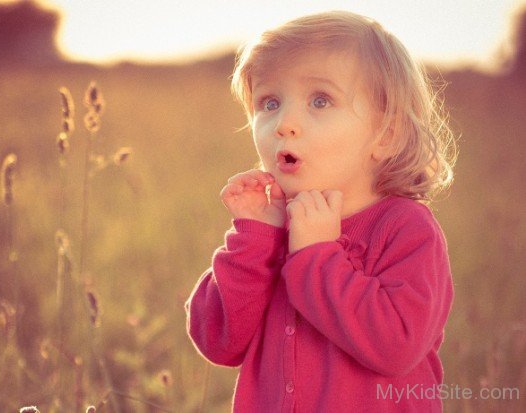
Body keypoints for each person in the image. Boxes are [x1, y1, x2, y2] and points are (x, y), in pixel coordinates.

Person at [185, 10, 457, 412]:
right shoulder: (272, 227)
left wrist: (316, 256)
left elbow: (397, 346)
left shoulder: (406, 228)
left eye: (320, 100)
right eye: (269, 102)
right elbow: (218, 342)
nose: (284, 123)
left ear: (387, 134)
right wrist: (253, 240)